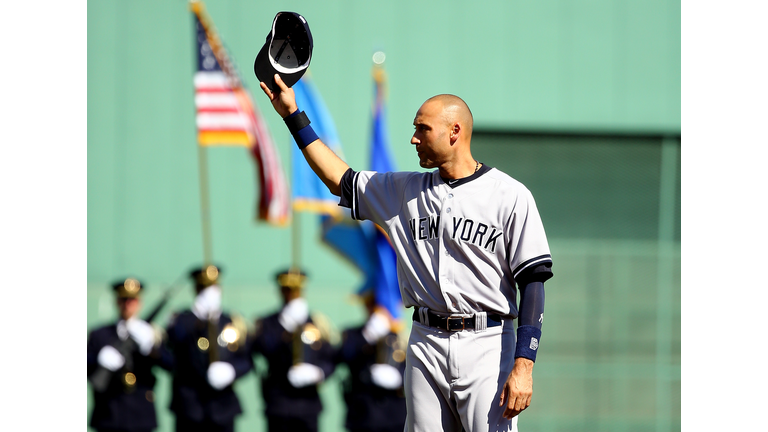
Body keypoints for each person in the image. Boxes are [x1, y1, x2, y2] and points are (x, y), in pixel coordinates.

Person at [259, 74, 553, 432]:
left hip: (488, 343)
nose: (413, 138)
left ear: (454, 132)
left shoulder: (510, 195)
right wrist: (292, 116)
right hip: (425, 339)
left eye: (423, 129)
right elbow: (340, 178)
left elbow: (533, 283)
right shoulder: (403, 190)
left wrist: (524, 364)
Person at [164, 264, 252, 432]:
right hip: (190, 406)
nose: (209, 291)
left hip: (222, 406)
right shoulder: (182, 320)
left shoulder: (231, 321)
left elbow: (247, 360)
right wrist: (198, 315)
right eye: (203, 287)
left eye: (212, 287)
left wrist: (231, 371)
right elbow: (174, 345)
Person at [250, 268, 337, 432]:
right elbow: (264, 350)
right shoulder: (268, 323)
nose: (291, 294)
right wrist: (288, 330)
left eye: (295, 290)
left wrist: (318, 373)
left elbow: (330, 358)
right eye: (287, 290)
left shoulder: (317, 323)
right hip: (279, 403)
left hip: (309, 404)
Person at [87, 278, 172, 432]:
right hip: (109, 413)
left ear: (139, 302)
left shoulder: (150, 334)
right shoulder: (100, 334)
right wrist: (99, 358)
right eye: (123, 299)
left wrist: (150, 349)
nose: (128, 304)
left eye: (132, 300)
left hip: (141, 414)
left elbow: (171, 364)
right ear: (117, 301)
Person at [335, 287, 407, 432]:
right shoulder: (353, 334)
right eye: (371, 304)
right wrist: (367, 337)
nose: (375, 309)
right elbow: (343, 356)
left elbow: (412, 368)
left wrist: (400, 378)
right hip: (363, 414)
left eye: (380, 305)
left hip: (394, 416)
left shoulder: (401, 337)